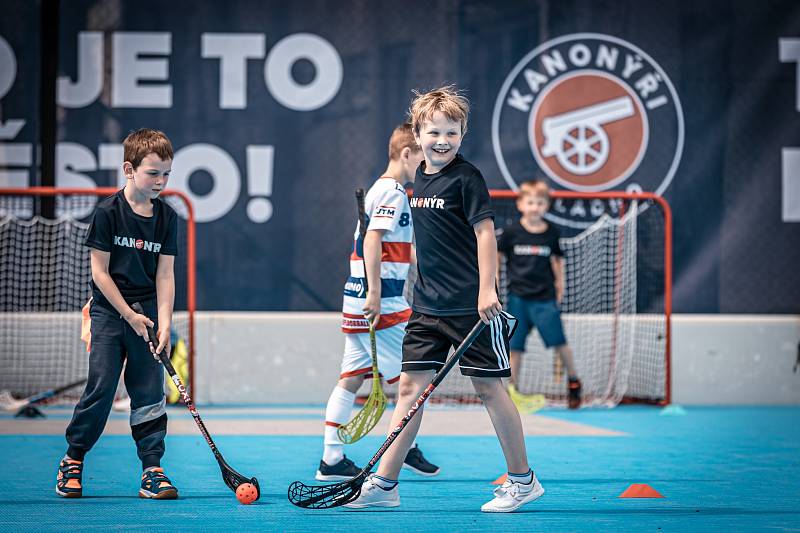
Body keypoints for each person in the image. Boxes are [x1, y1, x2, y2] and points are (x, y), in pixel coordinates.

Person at [345, 86, 544, 513]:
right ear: (417, 134)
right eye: (434, 132)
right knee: (410, 392)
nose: (442, 140)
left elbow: (485, 233)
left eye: (452, 133)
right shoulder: (418, 176)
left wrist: (487, 288)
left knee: (491, 391)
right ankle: (385, 484)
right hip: (426, 307)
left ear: (462, 134)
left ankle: (523, 480)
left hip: (470, 309)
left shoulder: (467, 178)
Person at [56, 128, 179, 499]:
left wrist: (165, 324)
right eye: (153, 173)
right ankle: (73, 459)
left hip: (147, 318)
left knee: (149, 394)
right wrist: (129, 314)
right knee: (102, 389)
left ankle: (152, 470)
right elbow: (99, 273)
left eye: (167, 174)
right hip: (111, 315)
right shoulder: (108, 213)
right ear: (129, 169)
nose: (161, 181)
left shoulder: (167, 217)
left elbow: (165, 274)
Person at [316, 123, 440, 481]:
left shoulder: (381, 191)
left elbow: (391, 247)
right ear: (406, 154)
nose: (427, 163)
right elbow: (372, 241)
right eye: (423, 155)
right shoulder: (393, 192)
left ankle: (331, 459)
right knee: (415, 378)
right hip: (380, 302)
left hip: (358, 299)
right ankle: (406, 446)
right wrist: (373, 292)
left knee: (351, 378)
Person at [498, 180, 582, 409]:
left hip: (544, 299)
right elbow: (497, 259)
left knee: (559, 343)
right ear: (521, 204)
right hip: (518, 298)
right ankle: (512, 391)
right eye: (531, 202)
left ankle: (574, 381)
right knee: (515, 348)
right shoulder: (511, 232)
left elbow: (557, 262)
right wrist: (492, 285)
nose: (535, 207)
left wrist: (560, 287)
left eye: (540, 203)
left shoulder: (551, 233)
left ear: (546, 206)